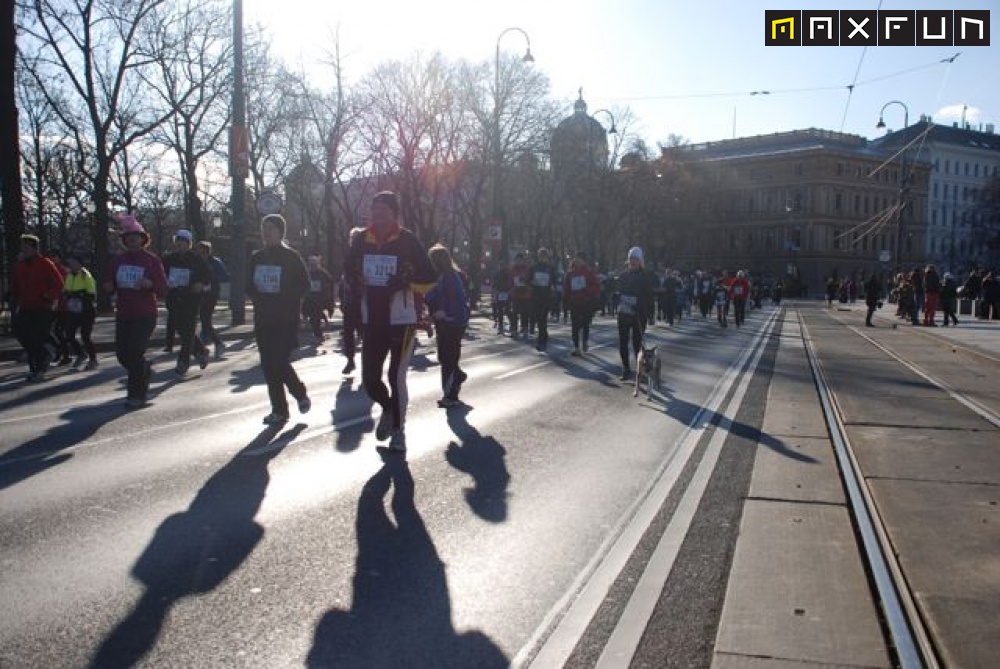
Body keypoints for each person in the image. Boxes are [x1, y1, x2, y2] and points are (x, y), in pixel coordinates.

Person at [345, 191, 436, 452]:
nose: (378, 214)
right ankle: (387, 408)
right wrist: (356, 281)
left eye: (383, 209)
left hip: (402, 320)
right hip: (372, 318)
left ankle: (399, 431)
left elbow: (429, 277)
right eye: (374, 209)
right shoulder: (362, 239)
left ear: (394, 213)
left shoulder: (407, 240)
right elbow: (348, 268)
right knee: (370, 378)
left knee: (396, 377)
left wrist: (405, 282)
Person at [246, 214, 312, 425]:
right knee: (268, 365)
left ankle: (300, 393)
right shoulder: (257, 257)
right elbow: (248, 284)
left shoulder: (291, 257)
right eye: (264, 227)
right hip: (264, 318)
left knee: (279, 362)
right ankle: (279, 410)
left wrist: (284, 293)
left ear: (280, 231)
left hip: (285, 318)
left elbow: (304, 284)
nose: (266, 232)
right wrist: (257, 295)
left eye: (271, 228)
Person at [104, 216, 168, 407]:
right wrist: (109, 286)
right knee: (122, 355)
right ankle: (143, 369)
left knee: (135, 351)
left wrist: (150, 284)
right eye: (128, 238)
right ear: (124, 241)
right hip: (124, 313)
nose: (132, 240)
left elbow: (163, 288)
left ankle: (136, 394)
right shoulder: (118, 260)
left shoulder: (151, 261)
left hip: (145, 313)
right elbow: (110, 281)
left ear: (143, 239)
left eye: (136, 237)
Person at [10, 234, 65, 382]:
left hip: (43, 306)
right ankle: (44, 355)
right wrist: (11, 295)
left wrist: (48, 295)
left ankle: (37, 369)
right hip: (25, 305)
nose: (24, 250)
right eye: (23, 247)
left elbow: (59, 283)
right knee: (21, 332)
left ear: (35, 249)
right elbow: (16, 284)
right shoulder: (20, 265)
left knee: (36, 337)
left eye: (27, 247)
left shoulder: (45, 263)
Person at [425, 244, 470, 408]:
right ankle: (457, 377)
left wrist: (445, 313)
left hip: (453, 322)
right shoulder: (439, 277)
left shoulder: (451, 276)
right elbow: (431, 297)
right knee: (444, 357)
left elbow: (459, 300)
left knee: (449, 359)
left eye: (431, 260)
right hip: (443, 322)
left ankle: (450, 395)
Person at [162, 229, 212, 376]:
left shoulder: (196, 259)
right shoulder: (169, 259)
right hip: (174, 299)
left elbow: (208, 276)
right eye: (178, 241)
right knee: (182, 330)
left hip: (191, 300)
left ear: (189, 244)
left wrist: (201, 285)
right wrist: (164, 283)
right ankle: (201, 351)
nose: (180, 244)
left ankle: (183, 362)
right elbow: (160, 274)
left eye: (184, 242)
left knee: (189, 330)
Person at [616, 247, 656, 380]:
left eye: (636, 259)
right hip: (624, 313)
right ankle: (626, 368)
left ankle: (640, 369)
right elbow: (618, 291)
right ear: (628, 260)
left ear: (640, 261)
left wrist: (648, 312)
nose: (633, 261)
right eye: (631, 259)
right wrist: (615, 296)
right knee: (623, 341)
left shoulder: (645, 276)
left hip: (639, 314)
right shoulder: (623, 275)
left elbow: (649, 296)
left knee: (637, 343)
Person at [62, 254, 99, 369]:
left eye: (73, 262)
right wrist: (67, 295)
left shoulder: (85, 275)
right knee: (69, 334)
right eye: (70, 262)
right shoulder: (69, 275)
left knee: (85, 336)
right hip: (73, 310)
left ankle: (93, 360)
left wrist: (78, 295)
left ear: (79, 263)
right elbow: (66, 290)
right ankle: (81, 354)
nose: (71, 265)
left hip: (86, 311)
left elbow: (91, 294)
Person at [194, 241, 229, 359]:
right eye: (198, 252)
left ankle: (217, 343)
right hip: (199, 292)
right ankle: (205, 341)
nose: (200, 255)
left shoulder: (215, 262)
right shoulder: (196, 262)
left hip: (211, 293)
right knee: (202, 320)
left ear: (208, 252)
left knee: (205, 318)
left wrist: (211, 278)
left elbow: (224, 276)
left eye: (203, 253)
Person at [563, 250, 601, 355]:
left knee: (585, 323)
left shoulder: (589, 272)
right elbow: (567, 288)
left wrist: (587, 290)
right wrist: (565, 299)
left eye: (580, 259)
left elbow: (596, 287)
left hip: (586, 301)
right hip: (574, 302)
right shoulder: (570, 273)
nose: (578, 261)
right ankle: (576, 347)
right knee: (575, 325)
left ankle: (584, 341)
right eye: (576, 259)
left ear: (584, 261)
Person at [339, 227, 365, 375]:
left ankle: (367, 362)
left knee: (364, 333)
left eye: (356, 238)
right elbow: (344, 280)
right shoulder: (348, 256)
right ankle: (350, 360)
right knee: (348, 333)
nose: (353, 241)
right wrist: (342, 299)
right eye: (352, 238)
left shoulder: (366, 255)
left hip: (363, 301)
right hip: (349, 302)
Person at [528, 248, 557, 352]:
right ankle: (544, 335)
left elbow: (554, 281)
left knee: (543, 319)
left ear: (547, 258)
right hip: (536, 297)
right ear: (538, 257)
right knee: (538, 319)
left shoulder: (550, 268)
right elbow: (528, 280)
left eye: (544, 257)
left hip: (546, 297)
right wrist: (532, 284)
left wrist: (553, 291)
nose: (543, 258)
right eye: (541, 256)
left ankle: (541, 342)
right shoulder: (534, 268)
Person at [303, 255, 335, 344]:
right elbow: (302, 283)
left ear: (318, 264)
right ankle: (320, 331)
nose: (312, 266)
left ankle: (319, 335)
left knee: (315, 318)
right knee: (311, 317)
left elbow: (330, 283)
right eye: (311, 264)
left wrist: (329, 296)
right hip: (310, 299)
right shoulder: (307, 273)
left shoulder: (323, 273)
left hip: (320, 299)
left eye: (314, 264)